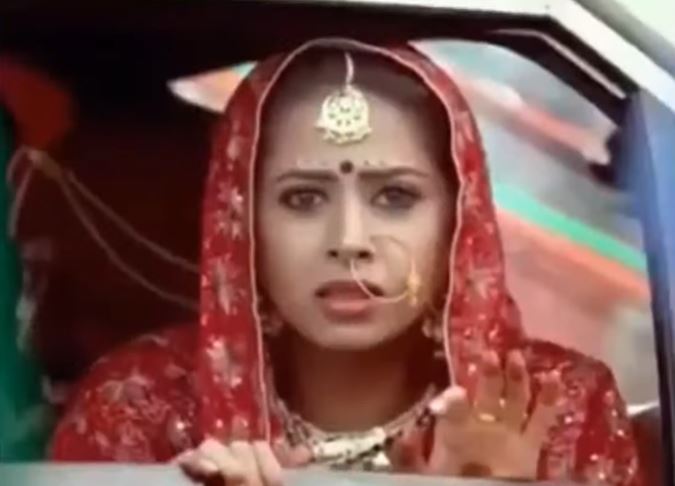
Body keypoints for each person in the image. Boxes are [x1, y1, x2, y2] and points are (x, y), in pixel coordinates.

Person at [50, 38, 642, 485]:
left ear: (458, 223)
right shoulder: (141, 408)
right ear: (242, 223)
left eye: (395, 197)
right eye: (303, 199)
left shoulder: (557, 414)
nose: (350, 241)